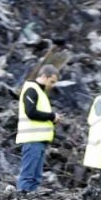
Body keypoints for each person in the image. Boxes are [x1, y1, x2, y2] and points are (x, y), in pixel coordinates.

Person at [16, 64, 61, 193]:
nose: (52, 85)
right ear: (43, 76)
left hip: (39, 141)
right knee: (28, 176)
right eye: (51, 81)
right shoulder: (31, 89)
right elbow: (31, 112)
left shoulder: (40, 92)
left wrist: (52, 118)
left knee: (35, 177)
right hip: (32, 140)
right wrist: (51, 116)